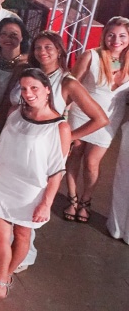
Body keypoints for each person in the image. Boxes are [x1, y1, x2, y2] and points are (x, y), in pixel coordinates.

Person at [0, 69, 73, 299]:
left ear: (47, 89)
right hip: (4, 180)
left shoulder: (59, 127)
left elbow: (57, 170)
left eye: (34, 88)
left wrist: (46, 203)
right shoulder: (15, 112)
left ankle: (2, 279)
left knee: (22, 234)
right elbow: (0, 145)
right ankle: (1, 281)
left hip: (31, 189)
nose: (28, 93)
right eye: (24, 88)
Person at [64, 17, 129, 224]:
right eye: (111, 35)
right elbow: (71, 84)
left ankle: (86, 200)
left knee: (92, 163)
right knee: (75, 154)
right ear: (104, 36)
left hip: (109, 120)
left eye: (122, 35)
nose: (116, 40)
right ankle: (72, 199)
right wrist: (62, 113)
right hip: (81, 114)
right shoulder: (91, 55)